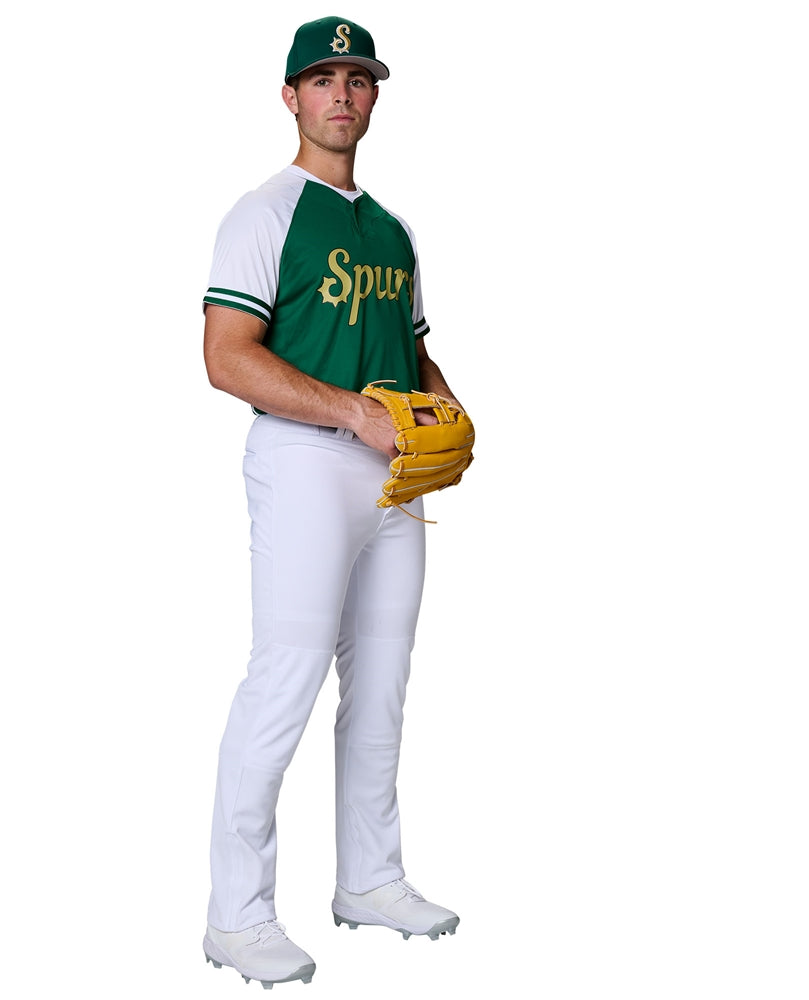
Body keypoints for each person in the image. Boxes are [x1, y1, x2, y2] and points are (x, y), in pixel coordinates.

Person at [200, 16, 466, 989]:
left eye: (358, 78)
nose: (342, 94)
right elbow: (226, 358)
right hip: (307, 457)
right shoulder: (265, 212)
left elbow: (414, 346)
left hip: (396, 470)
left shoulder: (392, 230)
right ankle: (236, 916)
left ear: (375, 98)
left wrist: (444, 398)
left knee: (383, 682)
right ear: (291, 98)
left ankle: (371, 880)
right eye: (323, 79)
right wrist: (349, 410)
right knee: (285, 680)